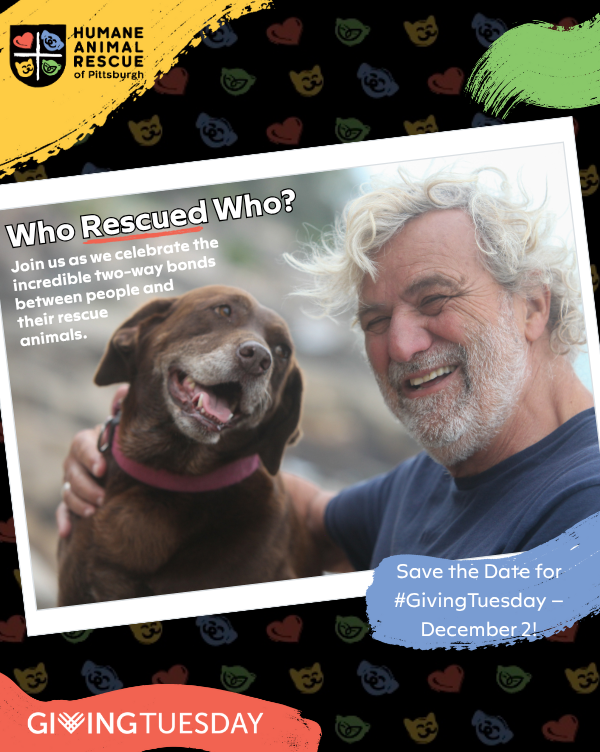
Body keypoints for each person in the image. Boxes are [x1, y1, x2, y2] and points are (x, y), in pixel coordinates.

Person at [57, 168, 600, 570]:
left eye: (435, 299)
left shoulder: (581, 508)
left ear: (532, 306)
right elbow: (312, 513)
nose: (404, 346)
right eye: (376, 320)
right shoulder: (432, 478)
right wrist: (127, 456)